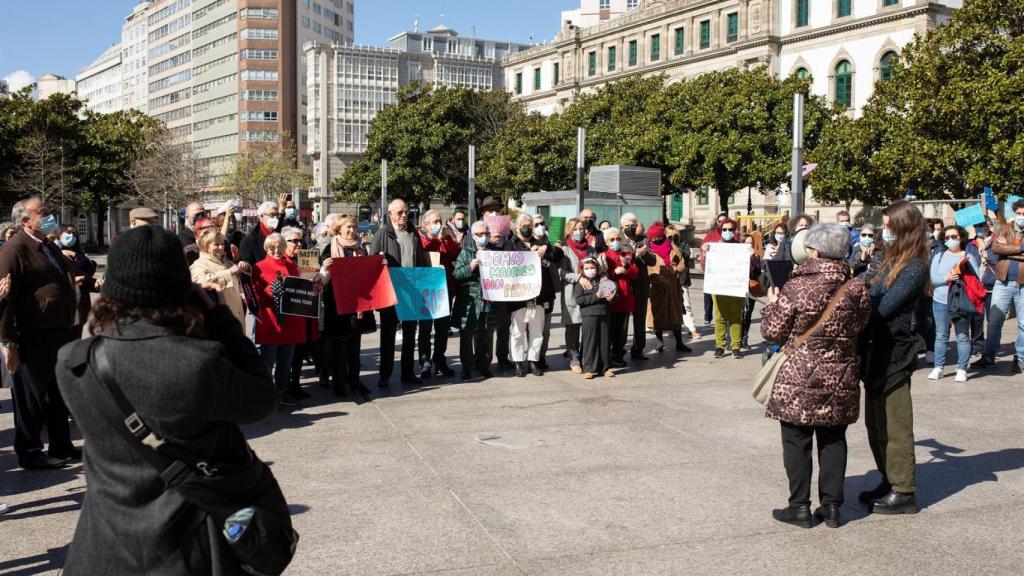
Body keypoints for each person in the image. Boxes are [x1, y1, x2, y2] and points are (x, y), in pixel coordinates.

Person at [55, 225, 285, 575]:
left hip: (103, 548)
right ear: (180, 290)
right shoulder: (197, 364)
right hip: (186, 548)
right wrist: (218, 317)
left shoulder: (73, 361)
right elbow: (262, 399)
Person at [761, 223, 871, 529]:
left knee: (796, 441)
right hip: (841, 375)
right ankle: (832, 506)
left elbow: (771, 331)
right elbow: (862, 324)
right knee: (834, 439)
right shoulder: (856, 287)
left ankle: (799, 506)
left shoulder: (797, 287)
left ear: (815, 252)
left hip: (798, 375)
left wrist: (771, 307)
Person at [859, 200, 929, 515]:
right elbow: (868, 288)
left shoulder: (914, 266)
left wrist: (855, 302)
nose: (883, 231)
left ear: (902, 229)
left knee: (896, 425)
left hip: (895, 353)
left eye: (889, 226)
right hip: (874, 349)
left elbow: (883, 307)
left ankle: (904, 491)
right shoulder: (889, 258)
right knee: (875, 423)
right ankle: (888, 478)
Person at [0, 197, 79, 470]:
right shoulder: (15, 249)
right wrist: (8, 342)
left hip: (59, 331)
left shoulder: (46, 245)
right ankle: (30, 451)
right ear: (25, 221)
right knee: (31, 397)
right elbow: (5, 300)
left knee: (58, 393)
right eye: (42, 213)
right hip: (33, 334)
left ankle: (62, 445)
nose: (50, 216)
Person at [371, 199, 429, 387]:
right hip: (390, 292)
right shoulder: (381, 234)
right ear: (390, 214)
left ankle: (407, 372)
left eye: (406, 212)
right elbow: (372, 263)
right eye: (400, 212)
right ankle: (385, 375)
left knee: (410, 334)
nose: (404, 215)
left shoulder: (414, 234)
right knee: (387, 335)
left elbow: (421, 259)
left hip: (411, 290)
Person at [318, 215, 372, 399]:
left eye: (354, 227)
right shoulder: (329, 249)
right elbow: (323, 279)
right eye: (348, 227)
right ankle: (339, 383)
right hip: (337, 304)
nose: (352, 230)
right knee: (338, 347)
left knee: (354, 346)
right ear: (339, 229)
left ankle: (355, 380)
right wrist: (325, 269)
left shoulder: (361, 249)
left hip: (356, 305)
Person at [505, 213, 562, 377]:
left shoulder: (541, 242)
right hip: (519, 298)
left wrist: (548, 248)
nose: (527, 227)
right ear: (516, 227)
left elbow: (558, 256)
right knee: (517, 331)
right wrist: (529, 252)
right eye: (524, 224)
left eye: (530, 224)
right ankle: (517, 362)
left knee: (537, 331)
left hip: (537, 297)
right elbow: (507, 264)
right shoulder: (511, 245)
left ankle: (533, 361)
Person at [253, 233, 307, 406]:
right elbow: (255, 294)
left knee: (285, 362)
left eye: (280, 247)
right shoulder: (259, 267)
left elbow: (299, 289)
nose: (276, 250)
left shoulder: (291, 266)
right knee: (268, 361)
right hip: (270, 321)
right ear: (266, 248)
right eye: (272, 248)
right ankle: (267, 396)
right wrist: (274, 290)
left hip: (290, 321)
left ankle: (282, 393)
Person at [974, 199, 1024, 373]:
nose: (1021, 217)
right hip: (1002, 282)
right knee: (995, 321)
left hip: (1023, 284)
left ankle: (1020, 359)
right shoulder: (1005, 228)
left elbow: (1003, 249)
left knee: (1023, 324)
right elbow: (995, 248)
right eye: (1019, 213)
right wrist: (1019, 250)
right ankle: (988, 357)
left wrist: (1007, 249)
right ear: (1014, 213)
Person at [928, 225, 979, 382]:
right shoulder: (939, 256)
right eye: (947, 237)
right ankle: (938, 367)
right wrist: (947, 278)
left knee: (962, 336)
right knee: (941, 335)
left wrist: (960, 275)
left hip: (960, 302)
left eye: (954, 236)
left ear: (961, 237)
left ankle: (962, 368)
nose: (951, 240)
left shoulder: (968, 257)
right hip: (940, 301)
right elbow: (932, 279)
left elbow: (976, 279)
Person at [417, 209, 459, 378]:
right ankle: (425, 360)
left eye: (439, 221)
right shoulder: (420, 238)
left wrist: (447, 238)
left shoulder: (444, 238)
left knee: (442, 329)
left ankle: (439, 359)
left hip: (444, 289)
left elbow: (456, 253)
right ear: (425, 224)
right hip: (426, 291)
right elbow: (424, 251)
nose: (438, 225)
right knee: (425, 329)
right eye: (434, 222)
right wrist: (436, 240)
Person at [453, 221, 497, 380]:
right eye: (480, 234)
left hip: (488, 301)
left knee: (486, 335)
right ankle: (466, 367)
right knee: (466, 336)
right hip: (469, 302)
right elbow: (456, 274)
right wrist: (470, 267)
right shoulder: (466, 252)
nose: (484, 237)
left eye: (486, 234)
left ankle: (484, 365)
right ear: (473, 236)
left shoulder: (494, 252)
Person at [282, 226, 317, 399]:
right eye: (293, 241)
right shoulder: (281, 261)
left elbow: (313, 283)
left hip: (305, 314)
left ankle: (295, 384)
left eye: (299, 240)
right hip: (288, 315)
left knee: (300, 352)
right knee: (288, 354)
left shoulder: (307, 259)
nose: (298, 244)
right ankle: (285, 385)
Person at [645, 221, 690, 353]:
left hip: (673, 286)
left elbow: (682, 262)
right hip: (657, 288)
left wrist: (677, 269)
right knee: (657, 315)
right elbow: (647, 269)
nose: (656, 239)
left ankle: (679, 343)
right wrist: (656, 277)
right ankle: (660, 343)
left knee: (675, 315)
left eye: (659, 237)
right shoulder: (649, 251)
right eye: (654, 237)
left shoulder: (672, 247)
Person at [190, 228, 248, 329]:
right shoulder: (199, 265)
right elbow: (202, 283)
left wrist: (244, 266)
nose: (221, 247)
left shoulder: (226, 261)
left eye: (222, 243)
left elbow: (236, 281)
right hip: (220, 323)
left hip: (236, 319)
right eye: (216, 244)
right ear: (205, 245)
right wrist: (229, 272)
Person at [560, 218, 595, 374]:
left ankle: (587, 356)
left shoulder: (591, 250)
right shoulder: (564, 249)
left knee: (588, 326)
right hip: (571, 292)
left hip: (589, 293)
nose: (579, 232)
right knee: (573, 326)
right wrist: (579, 277)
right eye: (575, 229)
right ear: (569, 231)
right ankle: (573, 357)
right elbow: (561, 272)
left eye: (581, 229)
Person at [600, 227, 639, 368]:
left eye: (618, 239)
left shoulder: (627, 254)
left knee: (622, 331)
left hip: (625, 297)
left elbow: (635, 272)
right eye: (612, 239)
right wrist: (614, 272)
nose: (616, 241)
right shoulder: (604, 255)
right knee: (609, 329)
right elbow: (601, 274)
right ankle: (606, 356)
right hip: (611, 298)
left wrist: (626, 268)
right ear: (606, 242)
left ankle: (618, 354)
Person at [707, 218, 745, 358]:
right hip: (719, 287)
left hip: (735, 286)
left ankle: (735, 346)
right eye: (725, 229)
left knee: (736, 317)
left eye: (730, 229)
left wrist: (750, 255)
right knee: (720, 317)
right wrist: (705, 252)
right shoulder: (714, 247)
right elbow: (706, 266)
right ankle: (720, 346)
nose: (728, 232)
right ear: (720, 230)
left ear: (734, 231)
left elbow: (747, 265)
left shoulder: (740, 247)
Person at [575, 256, 615, 379]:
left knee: (604, 341)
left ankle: (605, 368)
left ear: (597, 268)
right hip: (589, 315)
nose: (590, 270)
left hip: (603, 313)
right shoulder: (580, 283)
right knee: (590, 341)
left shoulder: (603, 280)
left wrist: (612, 297)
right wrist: (596, 296)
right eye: (587, 268)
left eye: (593, 267)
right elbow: (579, 300)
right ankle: (588, 368)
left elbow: (613, 292)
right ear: (582, 270)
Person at [621, 213, 653, 361]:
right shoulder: (618, 240)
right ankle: (619, 350)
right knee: (623, 319)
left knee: (640, 319)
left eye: (633, 225)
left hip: (641, 284)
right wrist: (635, 254)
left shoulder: (644, 240)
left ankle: (638, 349)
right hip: (625, 285)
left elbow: (652, 261)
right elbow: (622, 262)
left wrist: (645, 254)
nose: (630, 228)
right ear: (622, 226)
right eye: (627, 226)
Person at [58, 224, 101, 334]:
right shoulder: (58, 254)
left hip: (83, 297)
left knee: (79, 329)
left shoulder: (78, 252)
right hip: (69, 299)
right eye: (67, 233)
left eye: (73, 233)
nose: (70, 236)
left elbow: (88, 270)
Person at [967, 221, 997, 357]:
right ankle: (977, 346)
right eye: (976, 226)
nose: (978, 229)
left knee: (994, 320)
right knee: (976, 319)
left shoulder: (998, 241)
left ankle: (992, 348)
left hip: (993, 285)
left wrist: (986, 254)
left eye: (981, 225)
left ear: (988, 226)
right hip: (976, 286)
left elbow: (1000, 261)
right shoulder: (970, 244)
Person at [667, 224, 699, 338]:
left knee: (686, 304)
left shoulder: (683, 243)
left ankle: (691, 328)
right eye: (670, 236)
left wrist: (675, 246)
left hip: (682, 279)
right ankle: (672, 328)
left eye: (675, 235)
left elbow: (687, 254)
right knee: (670, 305)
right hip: (669, 278)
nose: (672, 237)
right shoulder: (664, 245)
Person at [700, 212, 730, 326]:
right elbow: (703, 247)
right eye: (719, 221)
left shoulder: (733, 234)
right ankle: (708, 316)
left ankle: (724, 316)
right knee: (708, 294)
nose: (722, 223)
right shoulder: (711, 234)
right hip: (712, 270)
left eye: (724, 221)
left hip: (727, 272)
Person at [239, 200, 282, 266]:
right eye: (272, 215)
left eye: (277, 215)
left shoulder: (282, 237)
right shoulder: (249, 241)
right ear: (261, 217)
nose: (275, 218)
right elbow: (248, 269)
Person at [740, 234, 762, 349]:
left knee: (748, 314)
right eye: (747, 242)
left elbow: (757, 273)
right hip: (739, 287)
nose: (749, 245)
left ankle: (744, 338)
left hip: (751, 288)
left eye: (751, 243)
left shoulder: (756, 256)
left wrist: (752, 259)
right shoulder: (738, 255)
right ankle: (735, 339)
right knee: (739, 314)